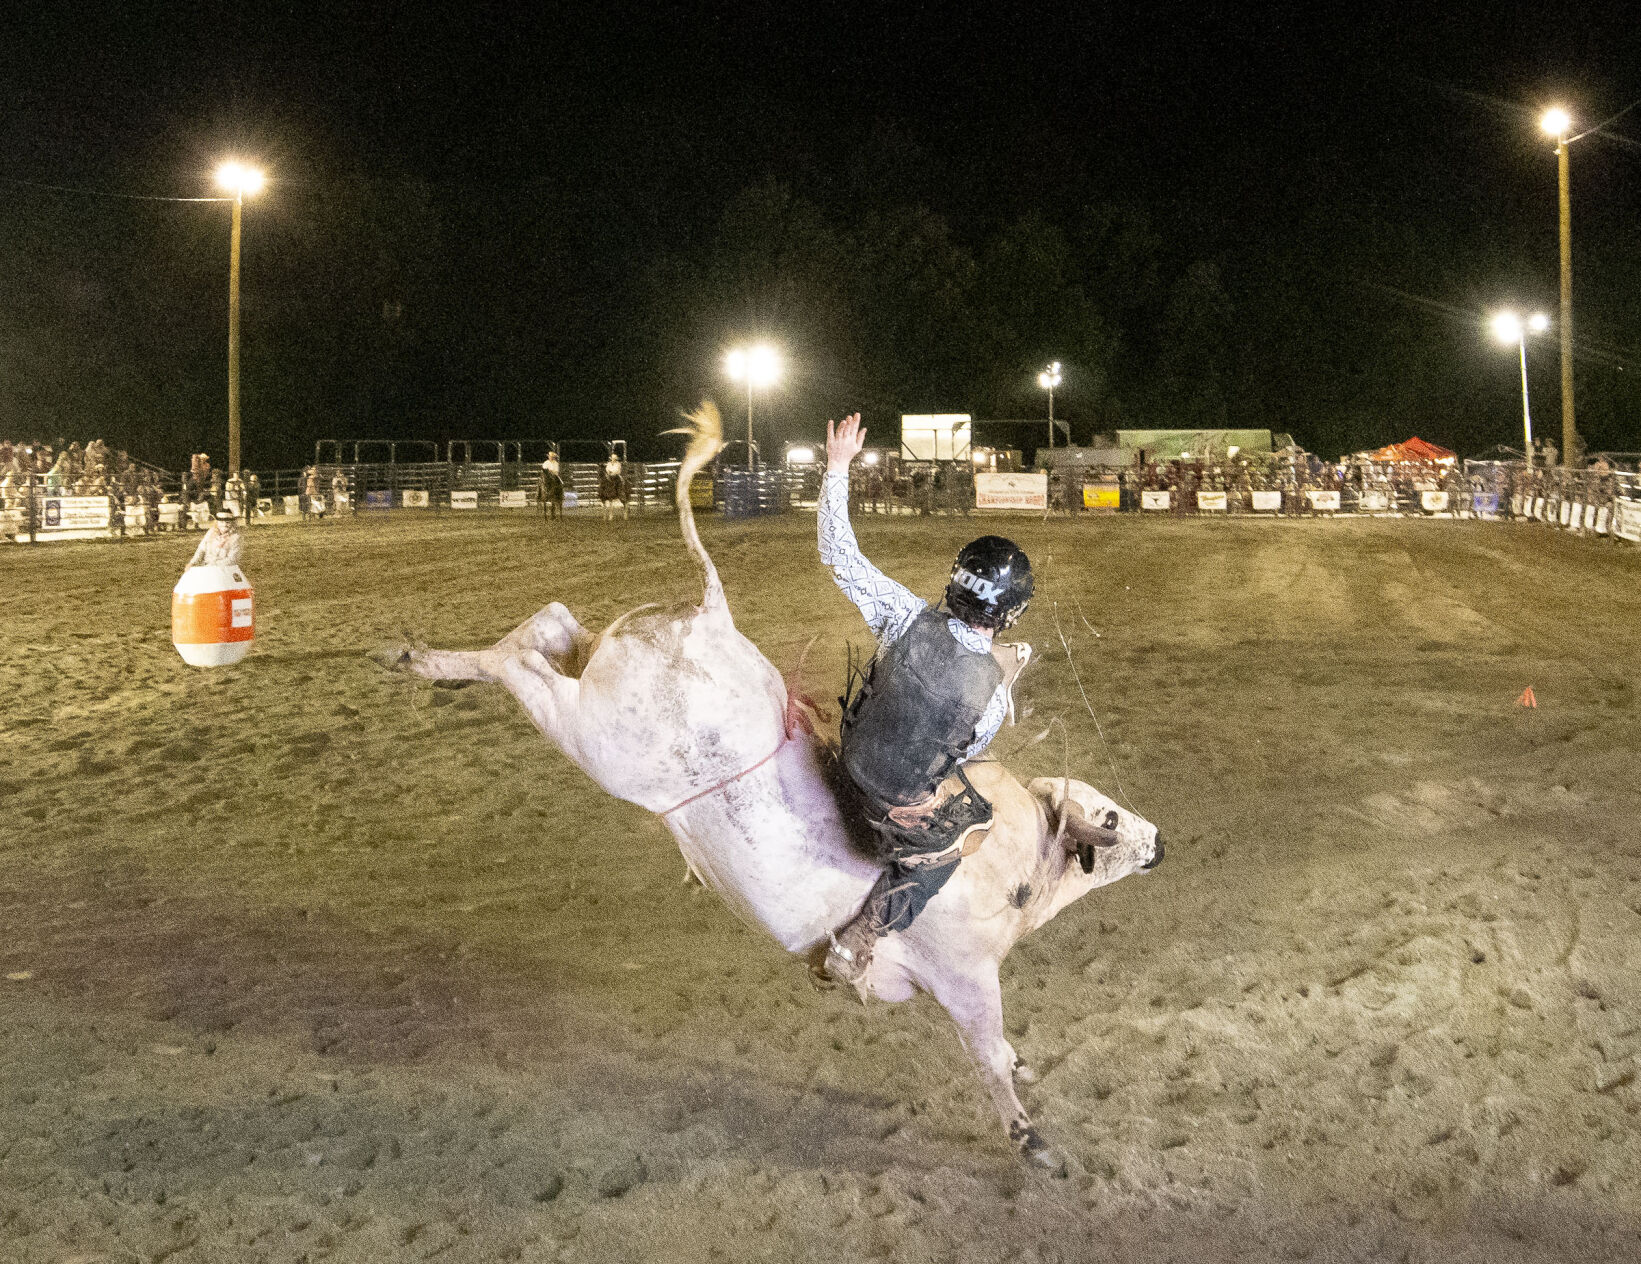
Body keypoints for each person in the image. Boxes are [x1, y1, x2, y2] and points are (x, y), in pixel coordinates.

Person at [814, 414, 1105, 986]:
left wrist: (838, 466)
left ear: (956, 581)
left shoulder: (903, 615)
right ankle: (861, 936)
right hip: (889, 799)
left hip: (851, 757)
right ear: (1010, 614)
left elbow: (838, 553)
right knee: (950, 848)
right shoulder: (992, 696)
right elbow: (964, 749)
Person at [538, 454, 563, 520]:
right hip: (546, 476)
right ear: (548, 457)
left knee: (560, 483)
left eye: (552, 457)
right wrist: (547, 472)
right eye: (550, 456)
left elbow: (556, 472)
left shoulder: (556, 463)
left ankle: (560, 495)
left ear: (554, 457)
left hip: (554, 476)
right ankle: (538, 495)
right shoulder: (546, 463)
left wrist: (552, 472)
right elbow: (543, 470)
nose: (551, 457)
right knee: (540, 483)